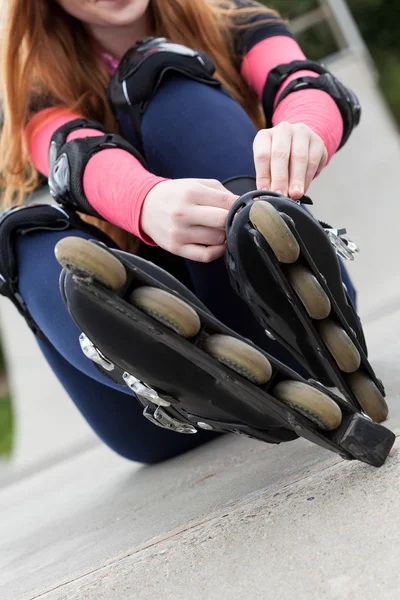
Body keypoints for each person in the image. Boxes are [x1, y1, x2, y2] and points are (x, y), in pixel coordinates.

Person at [0, 0, 359, 463]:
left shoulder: (234, 19)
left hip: (283, 330)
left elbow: (304, 80)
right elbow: (79, 158)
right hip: (157, 415)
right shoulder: (39, 89)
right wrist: (147, 202)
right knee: (20, 236)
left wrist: (302, 129)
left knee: (165, 78)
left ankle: (277, 280)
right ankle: (176, 366)